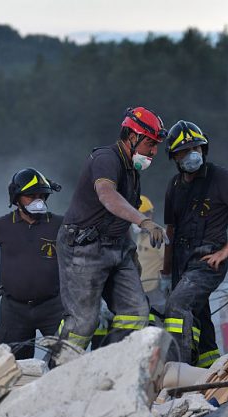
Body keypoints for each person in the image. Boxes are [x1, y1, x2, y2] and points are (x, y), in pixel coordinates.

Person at [51, 106, 169, 365]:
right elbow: (107, 195)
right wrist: (144, 221)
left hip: (117, 247)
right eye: (151, 143)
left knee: (137, 312)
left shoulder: (132, 171)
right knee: (83, 322)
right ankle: (58, 372)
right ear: (132, 136)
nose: (154, 151)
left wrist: (132, 255)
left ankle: (112, 368)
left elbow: (119, 217)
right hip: (85, 248)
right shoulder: (106, 158)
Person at [160, 120, 228, 367]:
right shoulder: (174, 186)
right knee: (199, 315)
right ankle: (209, 366)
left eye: (196, 148)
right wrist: (165, 272)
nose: (191, 155)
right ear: (174, 156)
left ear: (204, 150)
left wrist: (226, 250)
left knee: (178, 305)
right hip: (180, 263)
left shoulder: (220, 178)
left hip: (207, 262)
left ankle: (179, 370)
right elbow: (170, 232)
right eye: (184, 151)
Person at [0, 168, 64, 360]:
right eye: (31, 196)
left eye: (41, 196)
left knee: (65, 360)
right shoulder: (2, 226)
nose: (38, 201)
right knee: (5, 364)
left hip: (53, 308)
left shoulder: (59, 224)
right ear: (17, 198)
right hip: (14, 311)